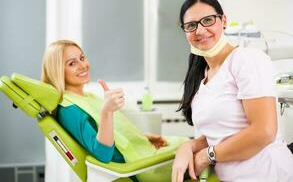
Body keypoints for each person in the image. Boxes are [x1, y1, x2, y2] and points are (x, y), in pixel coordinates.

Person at [172, 0, 293, 182]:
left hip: (269, 175)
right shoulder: (203, 76)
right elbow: (223, 133)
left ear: (223, 20)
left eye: (207, 20)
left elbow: (263, 131)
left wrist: (207, 155)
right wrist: (188, 147)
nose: (200, 30)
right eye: (191, 25)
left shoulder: (246, 59)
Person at [41, 40, 187, 182]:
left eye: (82, 58)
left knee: (191, 144)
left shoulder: (88, 97)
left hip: (144, 152)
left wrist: (144, 137)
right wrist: (107, 111)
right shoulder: (69, 110)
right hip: (141, 168)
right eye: (72, 63)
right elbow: (103, 154)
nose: (83, 65)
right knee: (193, 147)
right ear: (58, 70)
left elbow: (112, 131)